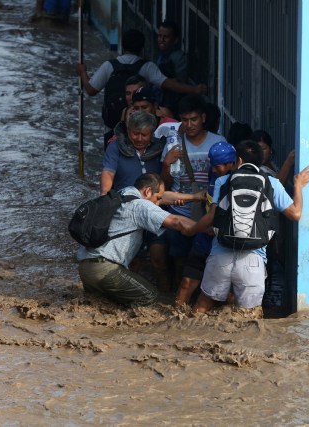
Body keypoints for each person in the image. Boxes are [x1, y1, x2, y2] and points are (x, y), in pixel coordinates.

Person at [182, 140, 309, 314]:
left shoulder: (223, 181)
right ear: (261, 161)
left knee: (202, 305)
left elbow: (211, 217)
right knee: (249, 317)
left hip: (220, 255)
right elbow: (295, 214)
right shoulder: (272, 183)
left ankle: (191, 339)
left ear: (238, 160)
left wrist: (190, 230)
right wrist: (298, 185)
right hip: (253, 260)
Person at [76, 173, 196, 306]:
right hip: (105, 270)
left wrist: (195, 197)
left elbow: (163, 196)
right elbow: (176, 222)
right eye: (157, 199)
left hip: (86, 268)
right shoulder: (140, 206)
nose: (157, 204)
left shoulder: (122, 194)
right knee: (151, 296)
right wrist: (205, 228)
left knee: (102, 306)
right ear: (147, 191)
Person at [75, 29, 206, 140]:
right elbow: (168, 84)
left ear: (122, 45)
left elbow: (91, 89)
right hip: (142, 128)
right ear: (142, 49)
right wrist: (194, 90)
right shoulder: (147, 67)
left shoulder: (109, 65)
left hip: (112, 125)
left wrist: (82, 72)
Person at [160, 94, 227, 288]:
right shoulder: (173, 144)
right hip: (179, 212)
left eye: (193, 119)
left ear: (203, 118)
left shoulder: (218, 142)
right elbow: (165, 183)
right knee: (179, 258)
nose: (189, 125)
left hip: (208, 214)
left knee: (207, 260)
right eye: (184, 120)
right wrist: (166, 164)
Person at [174, 141, 237, 307]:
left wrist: (194, 229)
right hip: (204, 239)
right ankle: (173, 322)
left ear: (232, 163)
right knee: (187, 282)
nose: (214, 170)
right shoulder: (214, 174)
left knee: (229, 295)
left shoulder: (239, 182)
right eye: (213, 166)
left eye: (218, 167)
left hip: (226, 243)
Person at [156, 20, 189, 115]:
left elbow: (181, 82)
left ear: (175, 40)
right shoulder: (161, 53)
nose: (161, 40)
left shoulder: (178, 57)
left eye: (165, 37)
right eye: (160, 36)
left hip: (171, 104)